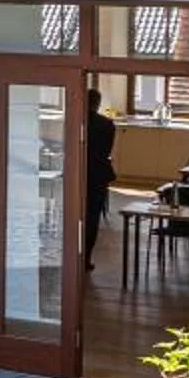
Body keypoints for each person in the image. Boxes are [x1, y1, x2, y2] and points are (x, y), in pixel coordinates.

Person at [82, 88, 118, 271]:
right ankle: (86, 257)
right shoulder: (107, 124)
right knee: (92, 217)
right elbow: (106, 151)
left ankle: (73, 254)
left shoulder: (76, 121)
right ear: (97, 104)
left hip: (78, 172)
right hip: (97, 175)